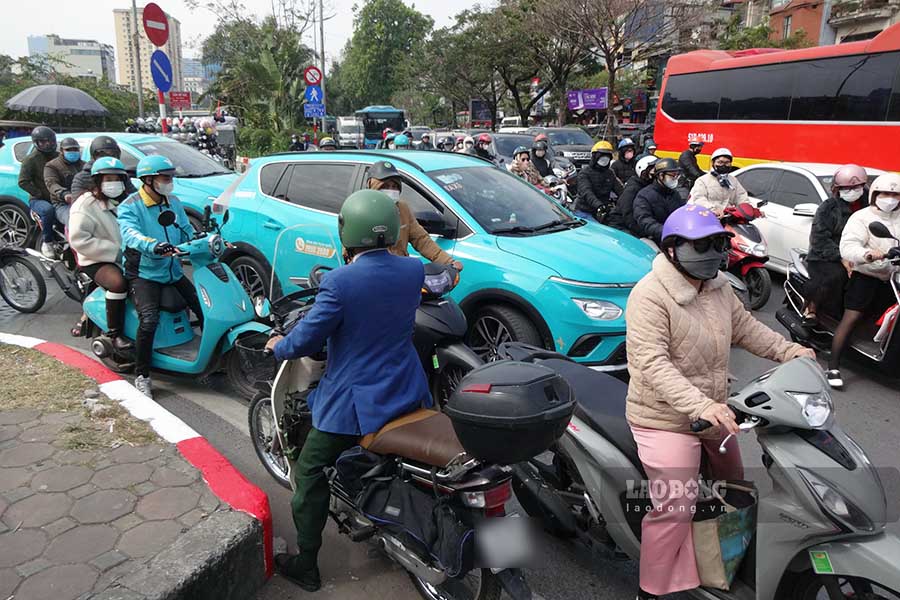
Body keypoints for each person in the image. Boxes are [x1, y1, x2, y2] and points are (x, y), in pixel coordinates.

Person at [625, 204, 814, 600]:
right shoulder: (650, 296)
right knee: (676, 503)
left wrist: (789, 351)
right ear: (673, 249)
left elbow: (746, 330)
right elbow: (652, 364)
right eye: (703, 245)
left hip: (714, 413)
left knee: (736, 489)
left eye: (718, 243)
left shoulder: (718, 286)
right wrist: (701, 405)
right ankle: (652, 589)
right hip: (664, 417)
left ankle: (718, 555)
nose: (713, 252)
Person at [265, 189, 432, 592]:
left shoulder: (340, 282)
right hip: (408, 389)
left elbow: (305, 340)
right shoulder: (412, 270)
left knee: (307, 471)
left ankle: (306, 564)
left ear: (347, 231)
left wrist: (278, 346)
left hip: (357, 403)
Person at [118, 155, 205, 399]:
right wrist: (154, 245)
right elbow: (130, 234)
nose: (170, 182)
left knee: (203, 307)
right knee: (149, 320)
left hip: (173, 270)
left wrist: (203, 239)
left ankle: (211, 358)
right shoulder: (130, 206)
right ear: (148, 179)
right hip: (145, 273)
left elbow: (186, 229)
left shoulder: (173, 201)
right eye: (165, 178)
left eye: (170, 177)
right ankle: (142, 375)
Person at [831, 172, 900, 389]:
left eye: (895, 194)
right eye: (885, 193)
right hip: (867, 276)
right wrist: (868, 255)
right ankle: (833, 366)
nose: (890, 198)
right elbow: (848, 246)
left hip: (892, 278)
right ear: (875, 195)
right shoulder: (861, 217)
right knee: (852, 318)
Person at [67, 157, 134, 352]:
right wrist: (115, 252)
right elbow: (79, 240)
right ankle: (115, 334)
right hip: (95, 258)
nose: (113, 183)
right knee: (118, 282)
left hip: (127, 253)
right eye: (108, 179)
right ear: (97, 181)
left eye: (117, 178)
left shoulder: (126, 199)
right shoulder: (85, 205)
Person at [366, 160, 463, 271]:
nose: (391, 190)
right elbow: (351, 252)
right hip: (372, 273)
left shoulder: (402, 209)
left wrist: (448, 262)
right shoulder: (360, 211)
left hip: (399, 271)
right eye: (385, 186)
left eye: (394, 186)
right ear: (372, 186)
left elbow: (421, 239)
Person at [803, 165, 869, 327]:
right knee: (834, 276)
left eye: (855, 187)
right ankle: (811, 309)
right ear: (837, 188)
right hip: (828, 256)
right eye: (846, 188)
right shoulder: (828, 208)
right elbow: (819, 239)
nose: (852, 190)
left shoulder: (870, 206)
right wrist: (842, 258)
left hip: (862, 253)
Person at [18, 126, 59, 258]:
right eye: (43, 142)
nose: (48, 144)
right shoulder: (31, 160)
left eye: (50, 141)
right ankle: (47, 242)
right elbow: (23, 181)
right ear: (36, 143)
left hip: (58, 197)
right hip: (39, 200)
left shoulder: (59, 157)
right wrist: (38, 193)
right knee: (48, 210)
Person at [632, 158, 686, 246]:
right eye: (672, 176)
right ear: (661, 175)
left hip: (677, 237)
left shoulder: (674, 193)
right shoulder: (644, 196)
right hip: (655, 238)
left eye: (677, 176)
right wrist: (666, 231)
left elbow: (683, 212)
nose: (675, 179)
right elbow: (645, 220)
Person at [72, 136, 137, 200]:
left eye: (113, 154)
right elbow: (78, 204)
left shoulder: (121, 174)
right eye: (102, 155)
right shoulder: (82, 177)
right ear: (93, 156)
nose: (108, 158)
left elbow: (134, 196)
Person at [687, 148, 749, 215]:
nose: (723, 165)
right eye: (720, 162)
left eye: (727, 162)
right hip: (708, 216)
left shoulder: (733, 180)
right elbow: (699, 199)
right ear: (713, 163)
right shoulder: (702, 180)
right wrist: (712, 209)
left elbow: (741, 197)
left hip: (728, 218)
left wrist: (749, 209)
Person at [607, 155, 658, 235]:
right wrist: (644, 233)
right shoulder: (633, 189)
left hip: (639, 224)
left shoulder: (653, 188)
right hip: (621, 225)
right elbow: (627, 214)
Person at [575, 140, 623, 223]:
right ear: (594, 157)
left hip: (604, 210)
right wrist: (598, 205)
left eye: (607, 156)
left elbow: (620, 189)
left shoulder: (610, 173)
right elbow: (586, 192)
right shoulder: (584, 173)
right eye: (601, 156)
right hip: (585, 210)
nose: (604, 159)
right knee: (598, 231)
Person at [43, 137, 84, 228]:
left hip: (85, 201)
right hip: (63, 204)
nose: (73, 152)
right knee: (74, 221)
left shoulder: (84, 165)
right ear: (61, 151)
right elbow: (51, 183)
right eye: (69, 149)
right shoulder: (52, 166)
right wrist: (64, 194)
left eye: (75, 149)